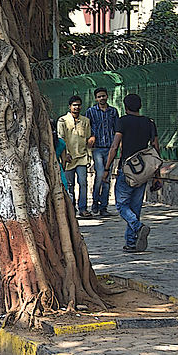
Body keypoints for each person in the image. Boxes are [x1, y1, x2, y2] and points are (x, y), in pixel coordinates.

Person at [103, 94, 159, 253]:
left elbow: (114, 147)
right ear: (140, 106)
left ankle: (138, 226)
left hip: (127, 169)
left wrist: (107, 168)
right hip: (144, 171)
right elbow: (156, 148)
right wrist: (157, 175)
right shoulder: (149, 123)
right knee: (135, 207)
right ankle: (131, 243)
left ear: (126, 107)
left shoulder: (122, 121)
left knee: (121, 205)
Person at [58, 95, 93, 217]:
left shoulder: (85, 121)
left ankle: (83, 208)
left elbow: (88, 138)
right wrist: (65, 154)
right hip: (68, 158)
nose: (76, 107)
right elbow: (60, 139)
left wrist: (89, 156)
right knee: (69, 184)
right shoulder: (62, 121)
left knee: (83, 183)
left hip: (82, 157)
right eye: (74, 105)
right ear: (70, 106)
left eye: (78, 105)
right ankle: (71, 209)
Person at [86, 87, 119, 216]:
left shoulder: (113, 111)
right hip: (97, 148)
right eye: (99, 96)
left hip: (110, 148)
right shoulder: (91, 112)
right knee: (100, 175)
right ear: (96, 98)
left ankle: (103, 206)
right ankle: (95, 201)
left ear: (107, 96)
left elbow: (117, 129)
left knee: (107, 177)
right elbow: (87, 128)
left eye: (103, 96)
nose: (102, 98)